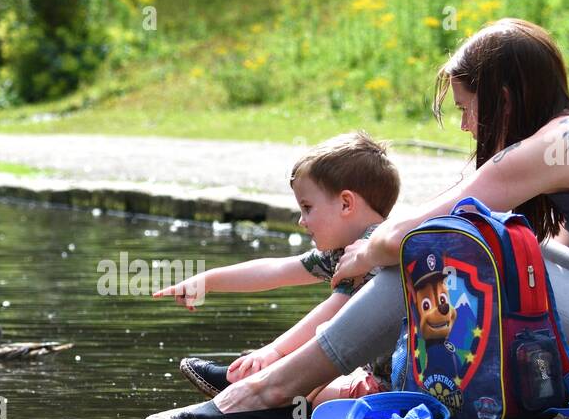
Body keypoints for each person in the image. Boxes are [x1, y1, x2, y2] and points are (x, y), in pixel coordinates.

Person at [166, 18, 569, 419]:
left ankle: (273, 390)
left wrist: (368, 250)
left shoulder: (556, 147)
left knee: (442, 253)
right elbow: (526, 242)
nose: (464, 127)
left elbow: (420, 235)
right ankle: (280, 374)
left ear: (503, 99)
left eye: (467, 109)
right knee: (484, 248)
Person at [154, 131, 399, 405]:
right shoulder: (342, 252)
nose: (301, 221)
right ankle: (254, 384)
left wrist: (274, 351)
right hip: (374, 372)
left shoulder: (373, 249)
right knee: (308, 382)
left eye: (307, 208)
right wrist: (207, 281)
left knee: (309, 396)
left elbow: (334, 311)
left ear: (345, 203)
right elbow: (274, 271)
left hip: (392, 383)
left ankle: (257, 387)